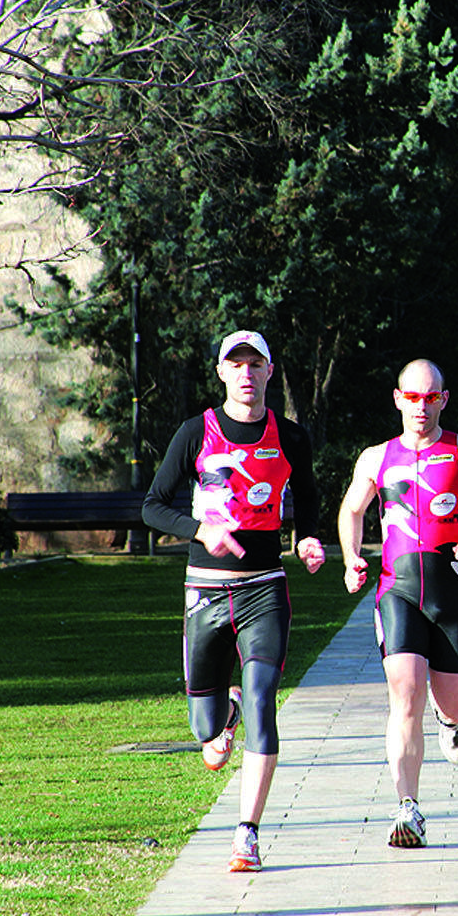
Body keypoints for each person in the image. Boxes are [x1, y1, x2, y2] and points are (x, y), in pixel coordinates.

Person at [142, 329, 327, 874]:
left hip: (264, 588)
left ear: (270, 371)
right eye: (236, 365)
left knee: (264, 698)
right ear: (222, 373)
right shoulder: (194, 432)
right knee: (204, 727)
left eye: (256, 364)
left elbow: (309, 497)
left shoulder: (289, 436)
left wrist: (308, 538)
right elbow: (153, 507)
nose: (246, 374)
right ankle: (224, 719)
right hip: (204, 591)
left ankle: (246, 832)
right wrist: (201, 531)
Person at [339, 359, 458, 848]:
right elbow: (352, 509)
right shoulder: (376, 458)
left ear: (444, 399)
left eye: (430, 397)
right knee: (405, 691)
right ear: (397, 399)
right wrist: (351, 557)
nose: (421, 406)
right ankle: (408, 807)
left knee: (454, 701)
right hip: (398, 591)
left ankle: (451, 721)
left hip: (455, 591)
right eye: (413, 397)